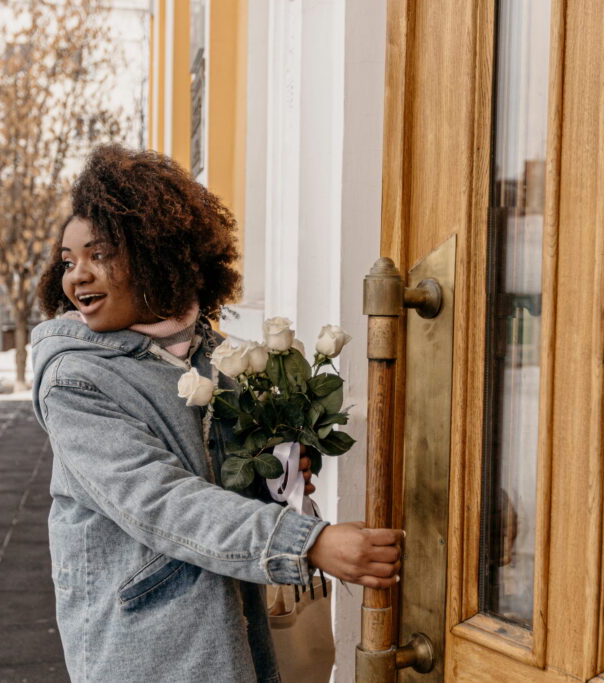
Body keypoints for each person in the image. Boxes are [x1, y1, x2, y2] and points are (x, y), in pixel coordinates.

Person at [31, 144, 402, 683]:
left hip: (235, 626)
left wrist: (277, 474)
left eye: (100, 255)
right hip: (147, 646)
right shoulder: (75, 381)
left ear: (156, 254)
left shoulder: (218, 355)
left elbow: (226, 478)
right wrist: (308, 543)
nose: (77, 277)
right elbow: (160, 501)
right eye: (68, 261)